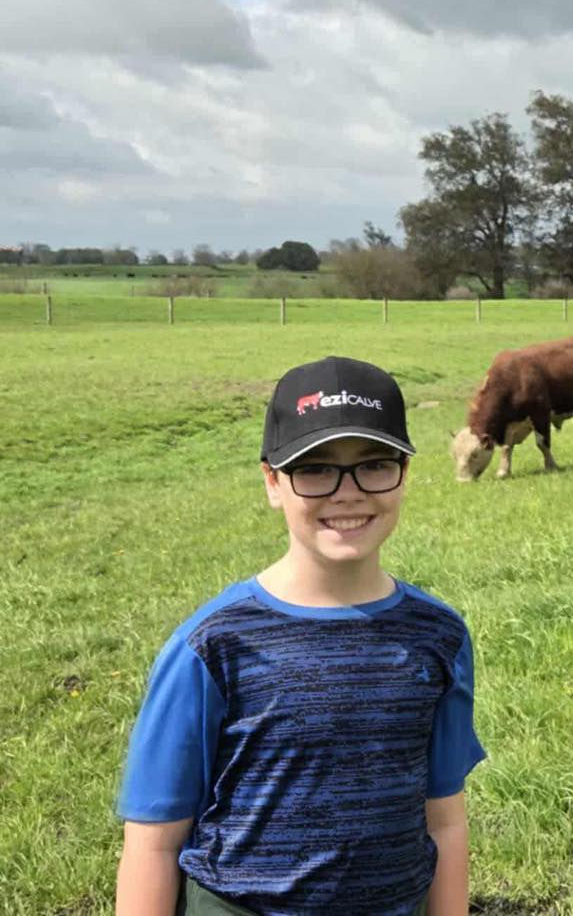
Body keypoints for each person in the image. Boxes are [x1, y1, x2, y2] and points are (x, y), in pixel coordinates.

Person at [115, 356, 484, 915]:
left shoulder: (439, 636)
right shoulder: (213, 644)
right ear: (272, 481)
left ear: (404, 472)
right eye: (314, 468)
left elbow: (446, 820)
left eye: (375, 465)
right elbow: (153, 842)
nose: (347, 492)